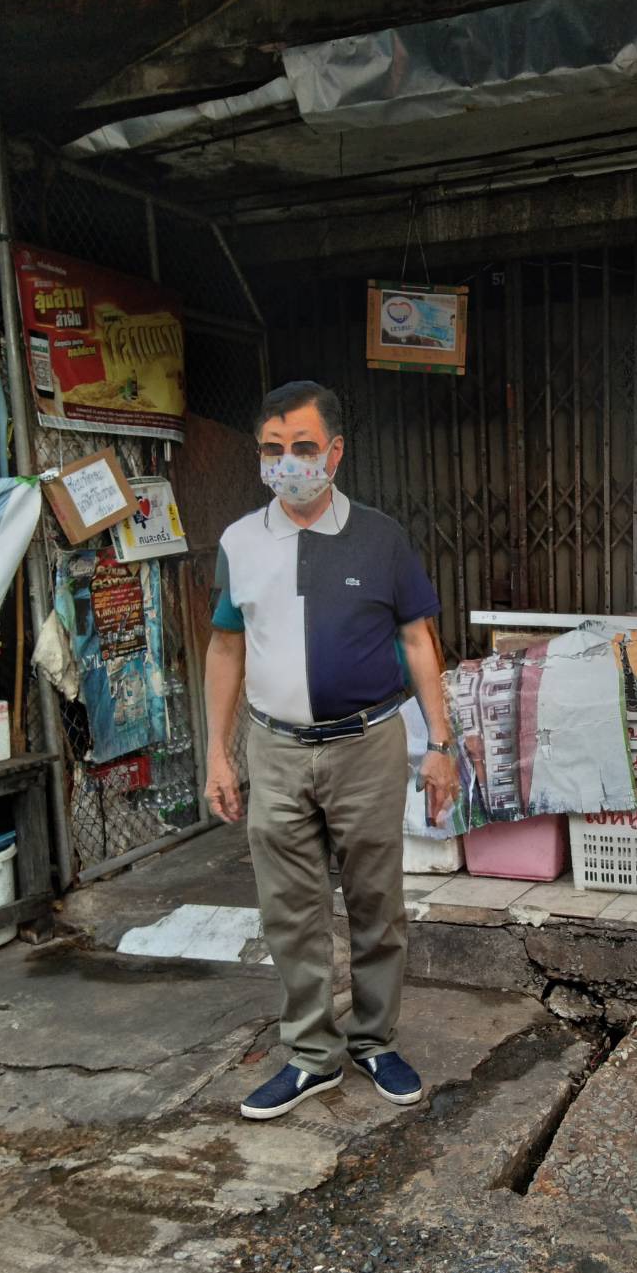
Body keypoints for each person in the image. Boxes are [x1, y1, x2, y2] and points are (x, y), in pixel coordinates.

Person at [204, 380, 459, 1122]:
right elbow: (225, 646)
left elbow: (419, 640)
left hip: (367, 745)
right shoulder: (240, 543)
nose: (288, 463)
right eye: (273, 449)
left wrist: (441, 743)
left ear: (336, 452)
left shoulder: (381, 538)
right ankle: (312, 1055)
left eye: (304, 447)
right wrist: (218, 753)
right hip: (275, 750)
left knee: (377, 904)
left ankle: (375, 1040)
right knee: (290, 911)